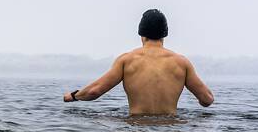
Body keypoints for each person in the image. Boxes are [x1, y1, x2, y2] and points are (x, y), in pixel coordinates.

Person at [63, 9, 214, 115]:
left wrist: (73, 96)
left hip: (136, 131)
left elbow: (95, 91)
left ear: (141, 34)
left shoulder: (127, 60)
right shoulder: (182, 63)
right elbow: (207, 99)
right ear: (164, 36)